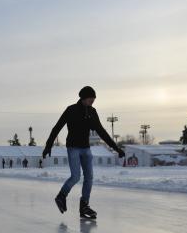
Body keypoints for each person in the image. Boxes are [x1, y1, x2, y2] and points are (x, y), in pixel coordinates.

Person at [43, 86, 125, 219]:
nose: (93, 101)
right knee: (75, 176)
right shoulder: (71, 110)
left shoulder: (92, 111)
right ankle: (61, 196)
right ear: (83, 97)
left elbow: (101, 131)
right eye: (91, 98)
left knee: (89, 177)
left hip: (86, 148)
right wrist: (48, 146)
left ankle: (84, 206)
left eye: (94, 99)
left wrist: (116, 148)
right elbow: (57, 127)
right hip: (73, 148)